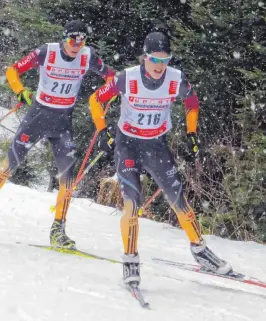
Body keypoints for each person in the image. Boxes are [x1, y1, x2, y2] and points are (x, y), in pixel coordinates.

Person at [89, 32, 232, 286]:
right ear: (145, 57)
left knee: (178, 198)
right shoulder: (127, 78)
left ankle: (199, 249)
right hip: (129, 145)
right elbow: (96, 99)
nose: (159, 65)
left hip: (156, 145)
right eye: (154, 59)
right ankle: (130, 259)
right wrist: (102, 130)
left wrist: (191, 133)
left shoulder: (175, 79)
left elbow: (192, 101)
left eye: (165, 60)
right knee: (131, 203)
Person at [0, 20, 115, 249]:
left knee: (68, 176)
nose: (76, 44)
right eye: (72, 39)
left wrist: (104, 97)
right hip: (37, 116)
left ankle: (58, 230)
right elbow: (12, 70)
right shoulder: (47, 52)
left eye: (81, 39)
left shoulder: (88, 56)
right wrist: (20, 91)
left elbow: (113, 79)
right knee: (11, 162)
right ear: (64, 38)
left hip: (63, 121)